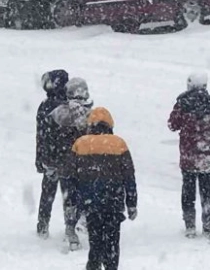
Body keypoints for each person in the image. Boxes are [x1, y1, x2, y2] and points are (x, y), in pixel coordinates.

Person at [65, 107, 138, 270]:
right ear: (110, 125)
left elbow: (71, 177)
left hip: (91, 204)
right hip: (113, 203)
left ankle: (94, 265)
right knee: (112, 244)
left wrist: (71, 202)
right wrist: (131, 203)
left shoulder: (80, 144)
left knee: (95, 243)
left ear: (90, 125)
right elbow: (129, 177)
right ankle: (111, 266)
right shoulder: (119, 144)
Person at [168, 72, 210, 240]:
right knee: (208, 195)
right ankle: (208, 227)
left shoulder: (182, 104)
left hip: (189, 158)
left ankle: (190, 226)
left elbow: (172, 125)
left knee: (188, 193)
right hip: (209, 158)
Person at [49, 77, 95, 248]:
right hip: (85, 164)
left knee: (69, 197)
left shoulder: (58, 114)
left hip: (65, 163)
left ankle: (70, 230)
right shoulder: (91, 115)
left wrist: (51, 161)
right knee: (86, 195)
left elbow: (51, 140)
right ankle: (84, 223)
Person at [36, 69, 80, 244]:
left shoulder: (46, 106)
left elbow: (40, 135)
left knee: (48, 193)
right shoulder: (72, 106)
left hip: (50, 158)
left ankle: (43, 226)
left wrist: (40, 158)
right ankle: (70, 227)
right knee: (69, 196)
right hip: (68, 159)